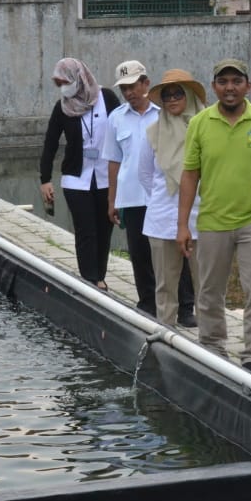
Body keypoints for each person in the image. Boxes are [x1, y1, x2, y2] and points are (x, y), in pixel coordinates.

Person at [177, 58, 251, 378]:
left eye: (237, 81)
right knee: (208, 293)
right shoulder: (200, 123)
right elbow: (190, 175)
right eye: (223, 82)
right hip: (212, 221)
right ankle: (213, 349)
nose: (230, 87)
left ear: (248, 86)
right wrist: (182, 225)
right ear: (214, 87)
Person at [39, 58, 119, 290]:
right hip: (76, 179)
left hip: (106, 176)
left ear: (79, 77)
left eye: (66, 81)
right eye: (59, 83)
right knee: (85, 230)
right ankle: (90, 279)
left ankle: (99, 275)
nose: (64, 87)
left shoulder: (108, 99)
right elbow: (50, 143)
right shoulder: (62, 107)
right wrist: (45, 179)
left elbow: (121, 133)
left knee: (104, 227)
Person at [139, 69, 202, 328]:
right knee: (165, 285)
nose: (173, 100)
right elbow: (144, 174)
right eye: (167, 96)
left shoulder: (205, 127)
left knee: (207, 286)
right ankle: (165, 333)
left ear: (188, 95)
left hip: (202, 217)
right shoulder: (153, 131)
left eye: (178, 94)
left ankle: (212, 342)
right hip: (163, 218)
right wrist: (167, 200)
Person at [102, 60, 158, 315]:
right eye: (123, 89)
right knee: (139, 253)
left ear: (146, 83)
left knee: (170, 252)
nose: (129, 93)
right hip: (132, 197)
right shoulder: (115, 119)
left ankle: (184, 306)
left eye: (133, 86)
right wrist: (112, 201)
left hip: (161, 196)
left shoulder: (162, 114)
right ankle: (147, 303)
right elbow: (114, 162)